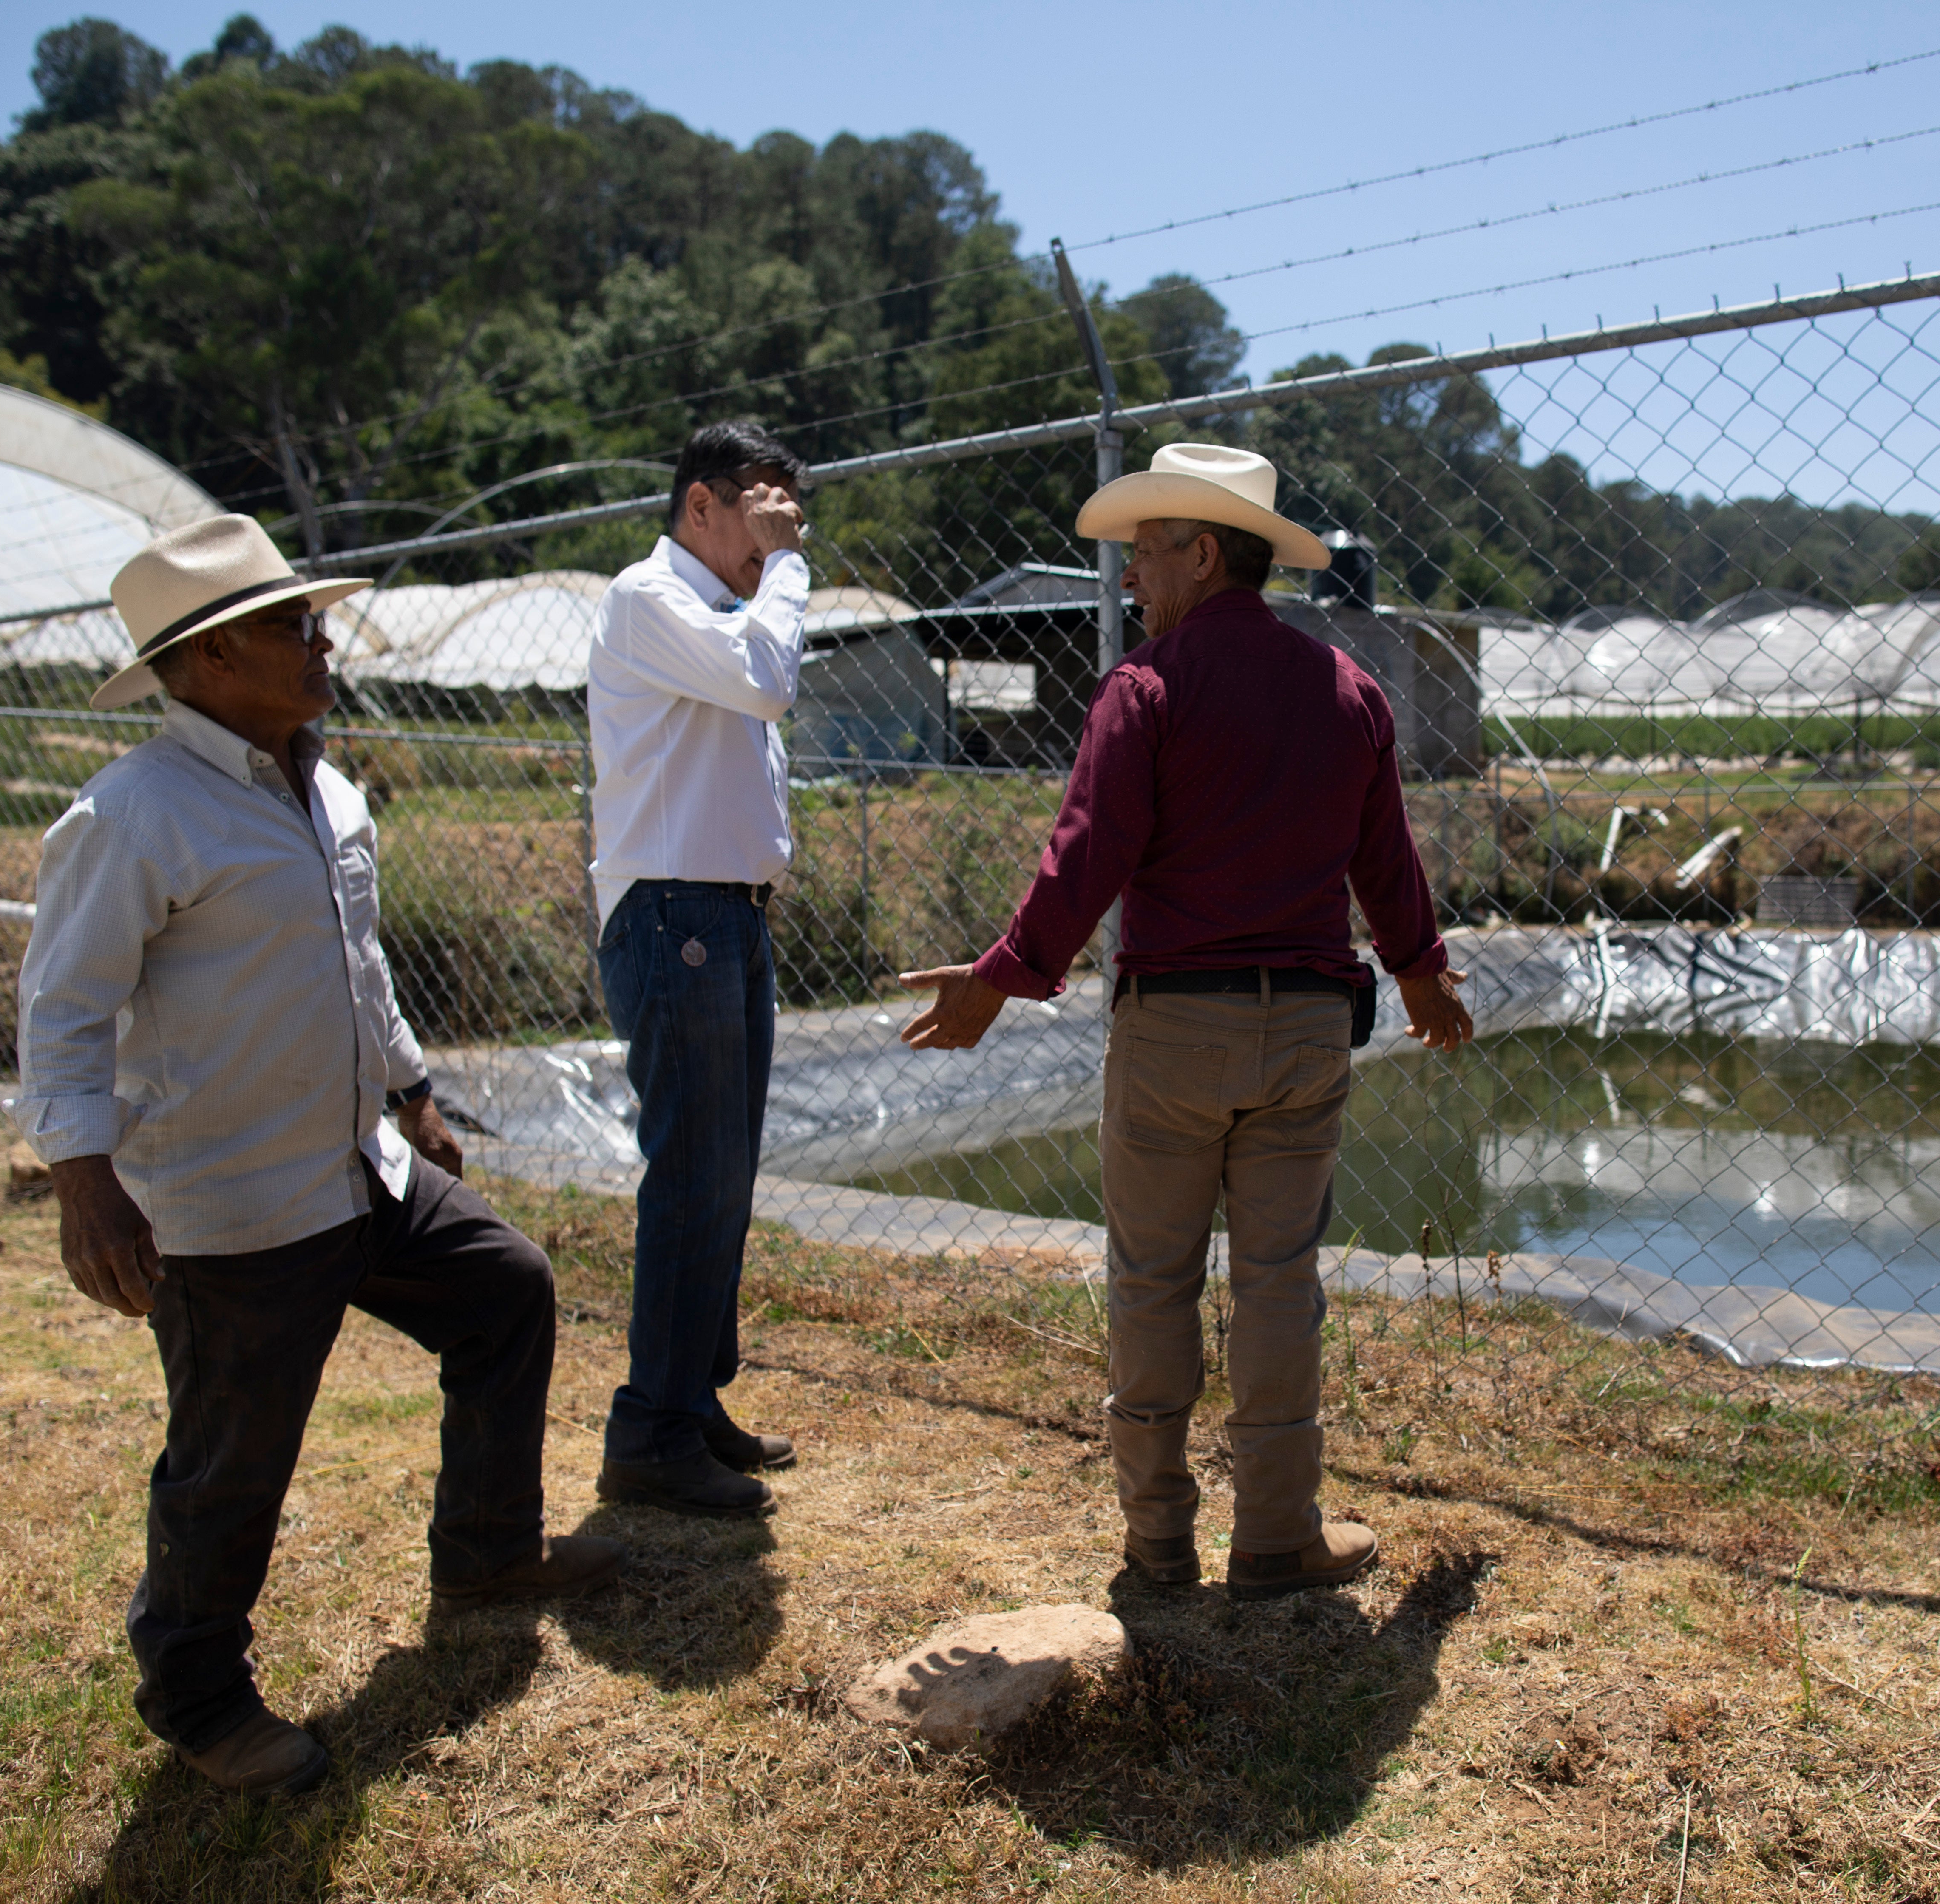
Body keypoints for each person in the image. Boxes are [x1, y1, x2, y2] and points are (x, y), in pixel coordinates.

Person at [15, 515, 621, 1797]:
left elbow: (358, 962)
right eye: (293, 625)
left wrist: (412, 1093)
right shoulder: (132, 817)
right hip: (232, 1205)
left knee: (506, 1289)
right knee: (234, 1459)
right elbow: (63, 1009)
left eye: (311, 618)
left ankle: (488, 1550)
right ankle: (198, 1697)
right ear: (212, 658)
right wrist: (85, 1183)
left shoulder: (326, 785)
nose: (321, 639)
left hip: (358, 1170)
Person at [899, 444, 1475, 1601]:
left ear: (1203, 554)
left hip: (1173, 1032)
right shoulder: (1348, 692)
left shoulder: (1148, 691)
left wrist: (1002, 978)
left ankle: (1158, 1544)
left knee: (1152, 1282)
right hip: (1310, 1028)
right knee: (1277, 1281)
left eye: (1143, 556)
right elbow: (1386, 861)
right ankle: (1277, 1539)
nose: (1128, 582)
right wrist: (1420, 972)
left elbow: (1086, 859)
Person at [585, 420, 811, 1517]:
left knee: (725, 1170)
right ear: (700, 505)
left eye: (791, 510)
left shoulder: (727, 611)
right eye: (759, 504)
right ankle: (652, 1432)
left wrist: (771, 577)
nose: (777, 527)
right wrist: (796, 566)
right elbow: (767, 683)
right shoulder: (651, 598)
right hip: (675, 911)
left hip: (721, 912)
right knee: (691, 1170)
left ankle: (690, 1401)